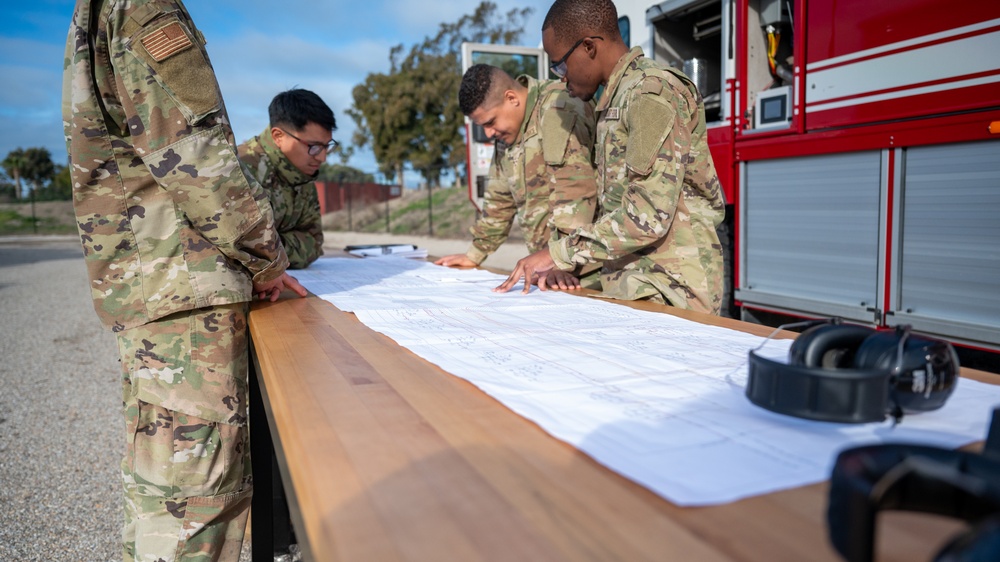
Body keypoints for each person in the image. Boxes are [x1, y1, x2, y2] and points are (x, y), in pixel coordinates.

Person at [62, 1, 307, 560]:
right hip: (186, 291)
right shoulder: (146, 8)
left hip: (157, 287)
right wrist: (266, 257)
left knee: (162, 490)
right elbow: (197, 160)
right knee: (193, 505)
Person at [495, 0, 726, 315]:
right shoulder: (613, 101)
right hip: (633, 284)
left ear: (588, 47)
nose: (561, 77)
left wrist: (557, 254)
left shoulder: (650, 94)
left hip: (669, 288)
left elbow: (646, 216)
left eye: (560, 64)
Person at [435, 64, 599, 289]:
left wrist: (560, 261)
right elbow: (499, 200)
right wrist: (475, 254)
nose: (488, 133)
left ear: (511, 98)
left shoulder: (558, 107)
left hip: (591, 269)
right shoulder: (507, 136)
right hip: (551, 269)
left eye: (490, 122)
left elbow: (575, 191)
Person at [238, 89, 336, 269]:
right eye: (314, 147)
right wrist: (272, 246)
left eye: (327, 146)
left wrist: (271, 246)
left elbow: (314, 242)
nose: (322, 158)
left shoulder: (301, 174)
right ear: (278, 136)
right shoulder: (239, 171)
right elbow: (238, 250)